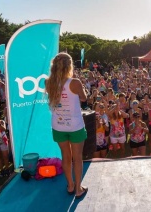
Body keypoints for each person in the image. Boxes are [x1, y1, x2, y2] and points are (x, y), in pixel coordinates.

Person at [45, 52, 88, 199]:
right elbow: (84, 98)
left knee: (66, 156)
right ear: (69, 66)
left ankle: (70, 185)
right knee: (77, 157)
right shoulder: (74, 82)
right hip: (75, 125)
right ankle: (78, 189)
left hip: (58, 125)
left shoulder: (48, 82)